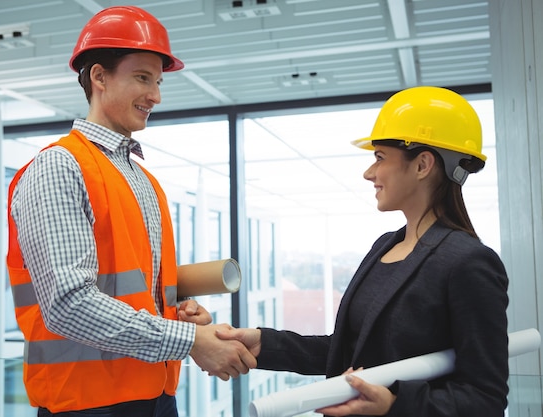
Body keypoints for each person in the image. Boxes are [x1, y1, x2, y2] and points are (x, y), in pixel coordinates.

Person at [6, 6, 255, 417]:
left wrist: (180, 314)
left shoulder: (144, 180)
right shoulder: (60, 167)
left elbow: (132, 288)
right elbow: (69, 304)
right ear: (100, 77)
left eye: (157, 82)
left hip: (156, 397)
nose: (156, 95)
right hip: (85, 405)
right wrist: (189, 341)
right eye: (142, 78)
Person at [218, 86, 509, 416]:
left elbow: (485, 399)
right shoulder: (385, 245)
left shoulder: (469, 263)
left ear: (423, 164)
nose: (369, 173)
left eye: (380, 158)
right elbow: (349, 352)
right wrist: (264, 344)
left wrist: (394, 406)